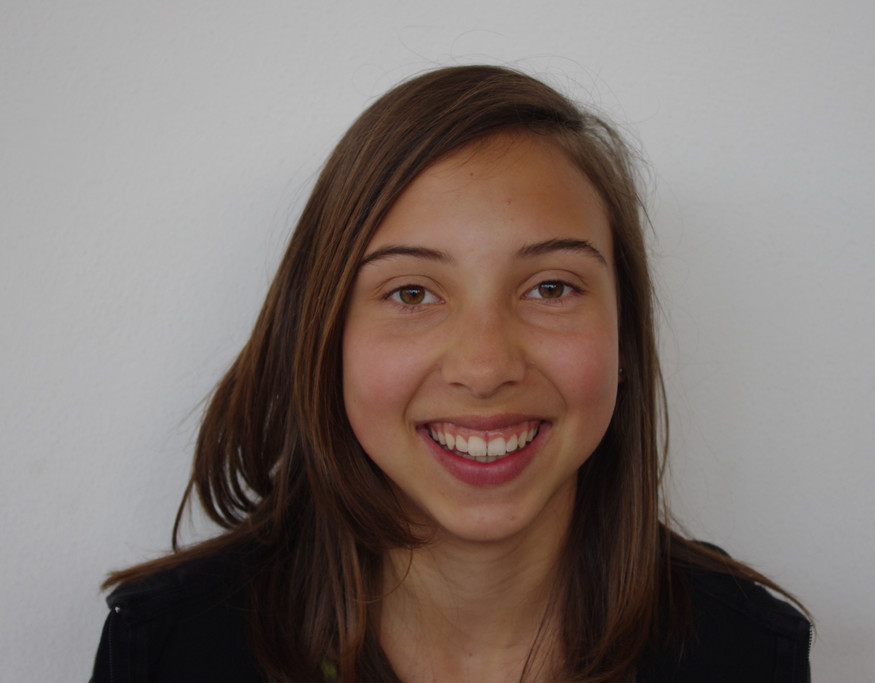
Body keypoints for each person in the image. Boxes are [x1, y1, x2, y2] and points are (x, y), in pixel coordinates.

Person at [90, 65, 812, 682]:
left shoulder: (746, 655)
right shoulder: (168, 651)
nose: (485, 367)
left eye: (551, 287)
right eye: (412, 293)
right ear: (325, 338)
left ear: (624, 336)